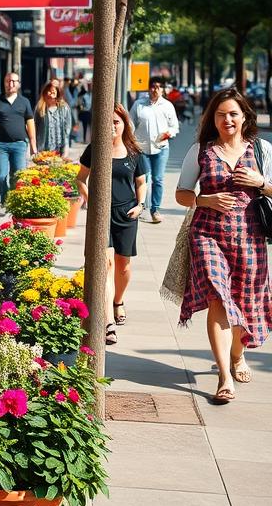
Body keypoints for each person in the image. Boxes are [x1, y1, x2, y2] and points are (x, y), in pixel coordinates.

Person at [174, 89, 272, 404]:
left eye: (233, 113)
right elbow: (182, 193)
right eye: (220, 114)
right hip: (207, 234)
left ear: (245, 116)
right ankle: (224, 376)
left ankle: (238, 355)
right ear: (212, 118)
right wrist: (205, 199)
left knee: (243, 304)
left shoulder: (261, 150)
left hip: (250, 237)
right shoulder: (200, 150)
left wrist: (260, 183)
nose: (226, 119)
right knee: (218, 296)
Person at [76, 104, 147, 346]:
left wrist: (141, 205)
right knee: (105, 264)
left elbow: (141, 182)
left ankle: (118, 300)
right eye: (107, 121)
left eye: (116, 122)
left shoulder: (134, 151)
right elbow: (80, 179)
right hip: (101, 216)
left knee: (123, 266)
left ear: (125, 123)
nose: (112, 126)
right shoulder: (95, 148)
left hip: (126, 213)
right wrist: (90, 200)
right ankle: (108, 322)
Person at [0, 72, 37, 210]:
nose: (10, 84)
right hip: (0, 145)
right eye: (7, 81)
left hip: (19, 144)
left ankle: (13, 202)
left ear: (18, 84)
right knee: (1, 176)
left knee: (18, 176)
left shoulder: (24, 102)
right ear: (4, 83)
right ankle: (5, 198)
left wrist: (33, 145)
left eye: (13, 81)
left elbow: (30, 123)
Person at [130, 78, 180, 223]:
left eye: (159, 87)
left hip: (161, 148)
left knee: (158, 179)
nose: (155, 89)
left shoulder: (167, 106)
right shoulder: (139, 105)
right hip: (142, 148)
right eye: (153, 86)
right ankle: (140, 206)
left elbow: (174, 126)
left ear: (163, 89)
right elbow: (131, 123)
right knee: (142, 179)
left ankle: (155, 210)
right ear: (148, 88)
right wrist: (131, 140)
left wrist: (168, 134)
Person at [35, 79, 73, 156]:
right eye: (49, 90)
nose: (52, 91)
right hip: (43, 151)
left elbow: (67, 129)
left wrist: (65, 150)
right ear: (45, 92)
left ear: (58, 92)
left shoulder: (64, 108)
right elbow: (35, 128)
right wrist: (35, 149)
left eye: (54, 89)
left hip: (60, 150)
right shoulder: (39, 108)